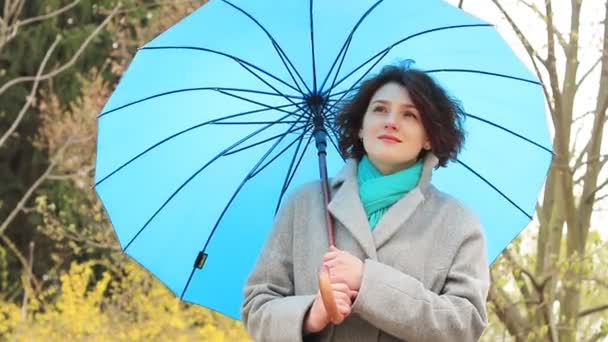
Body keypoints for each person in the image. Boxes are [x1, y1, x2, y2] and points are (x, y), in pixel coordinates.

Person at [241, 65, 490, 342]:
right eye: (380, 109)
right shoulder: (305, 204)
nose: (391, 121)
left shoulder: (458, 223)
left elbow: (464, 324)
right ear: (361, 127)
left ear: (429, 137)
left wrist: (367, 281)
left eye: (410, 114)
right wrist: (311, 314)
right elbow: (257, 306)